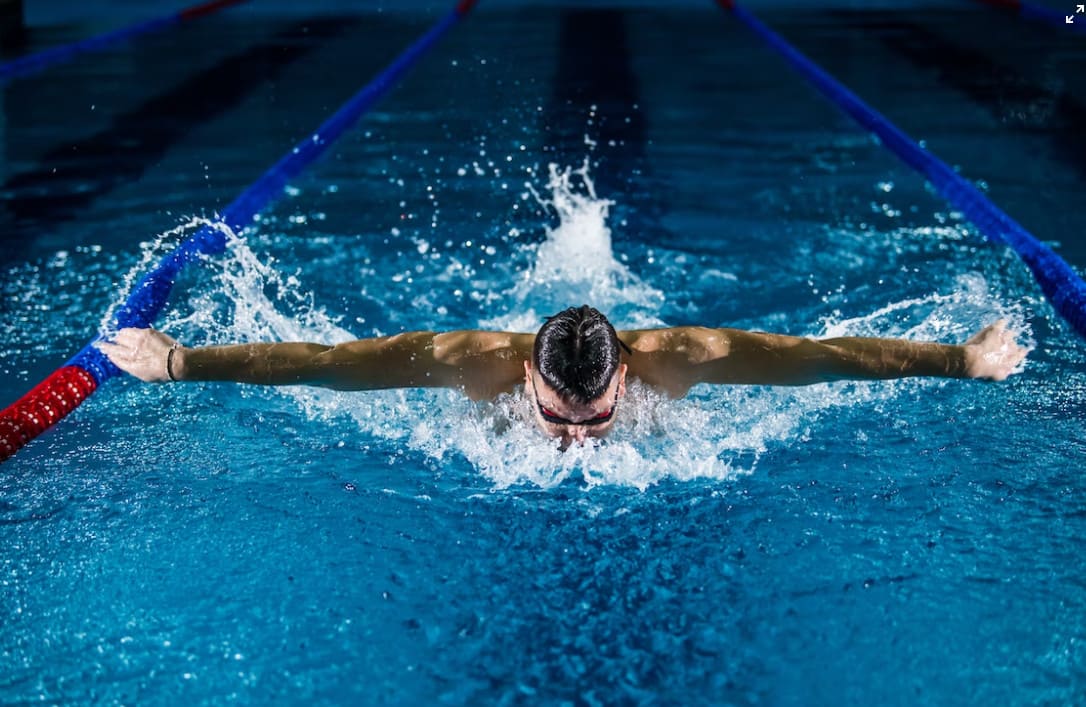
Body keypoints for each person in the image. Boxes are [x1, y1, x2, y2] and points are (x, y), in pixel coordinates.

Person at [98, 305, 1027, 448]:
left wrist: (961, 360)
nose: (574, 441)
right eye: (556, 416)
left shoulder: (686, 357)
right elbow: (327, 366)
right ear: (526, 378)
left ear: (628, 370)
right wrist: (179, 362)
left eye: (593, 419)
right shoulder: (470, 364)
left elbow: (825, 358)